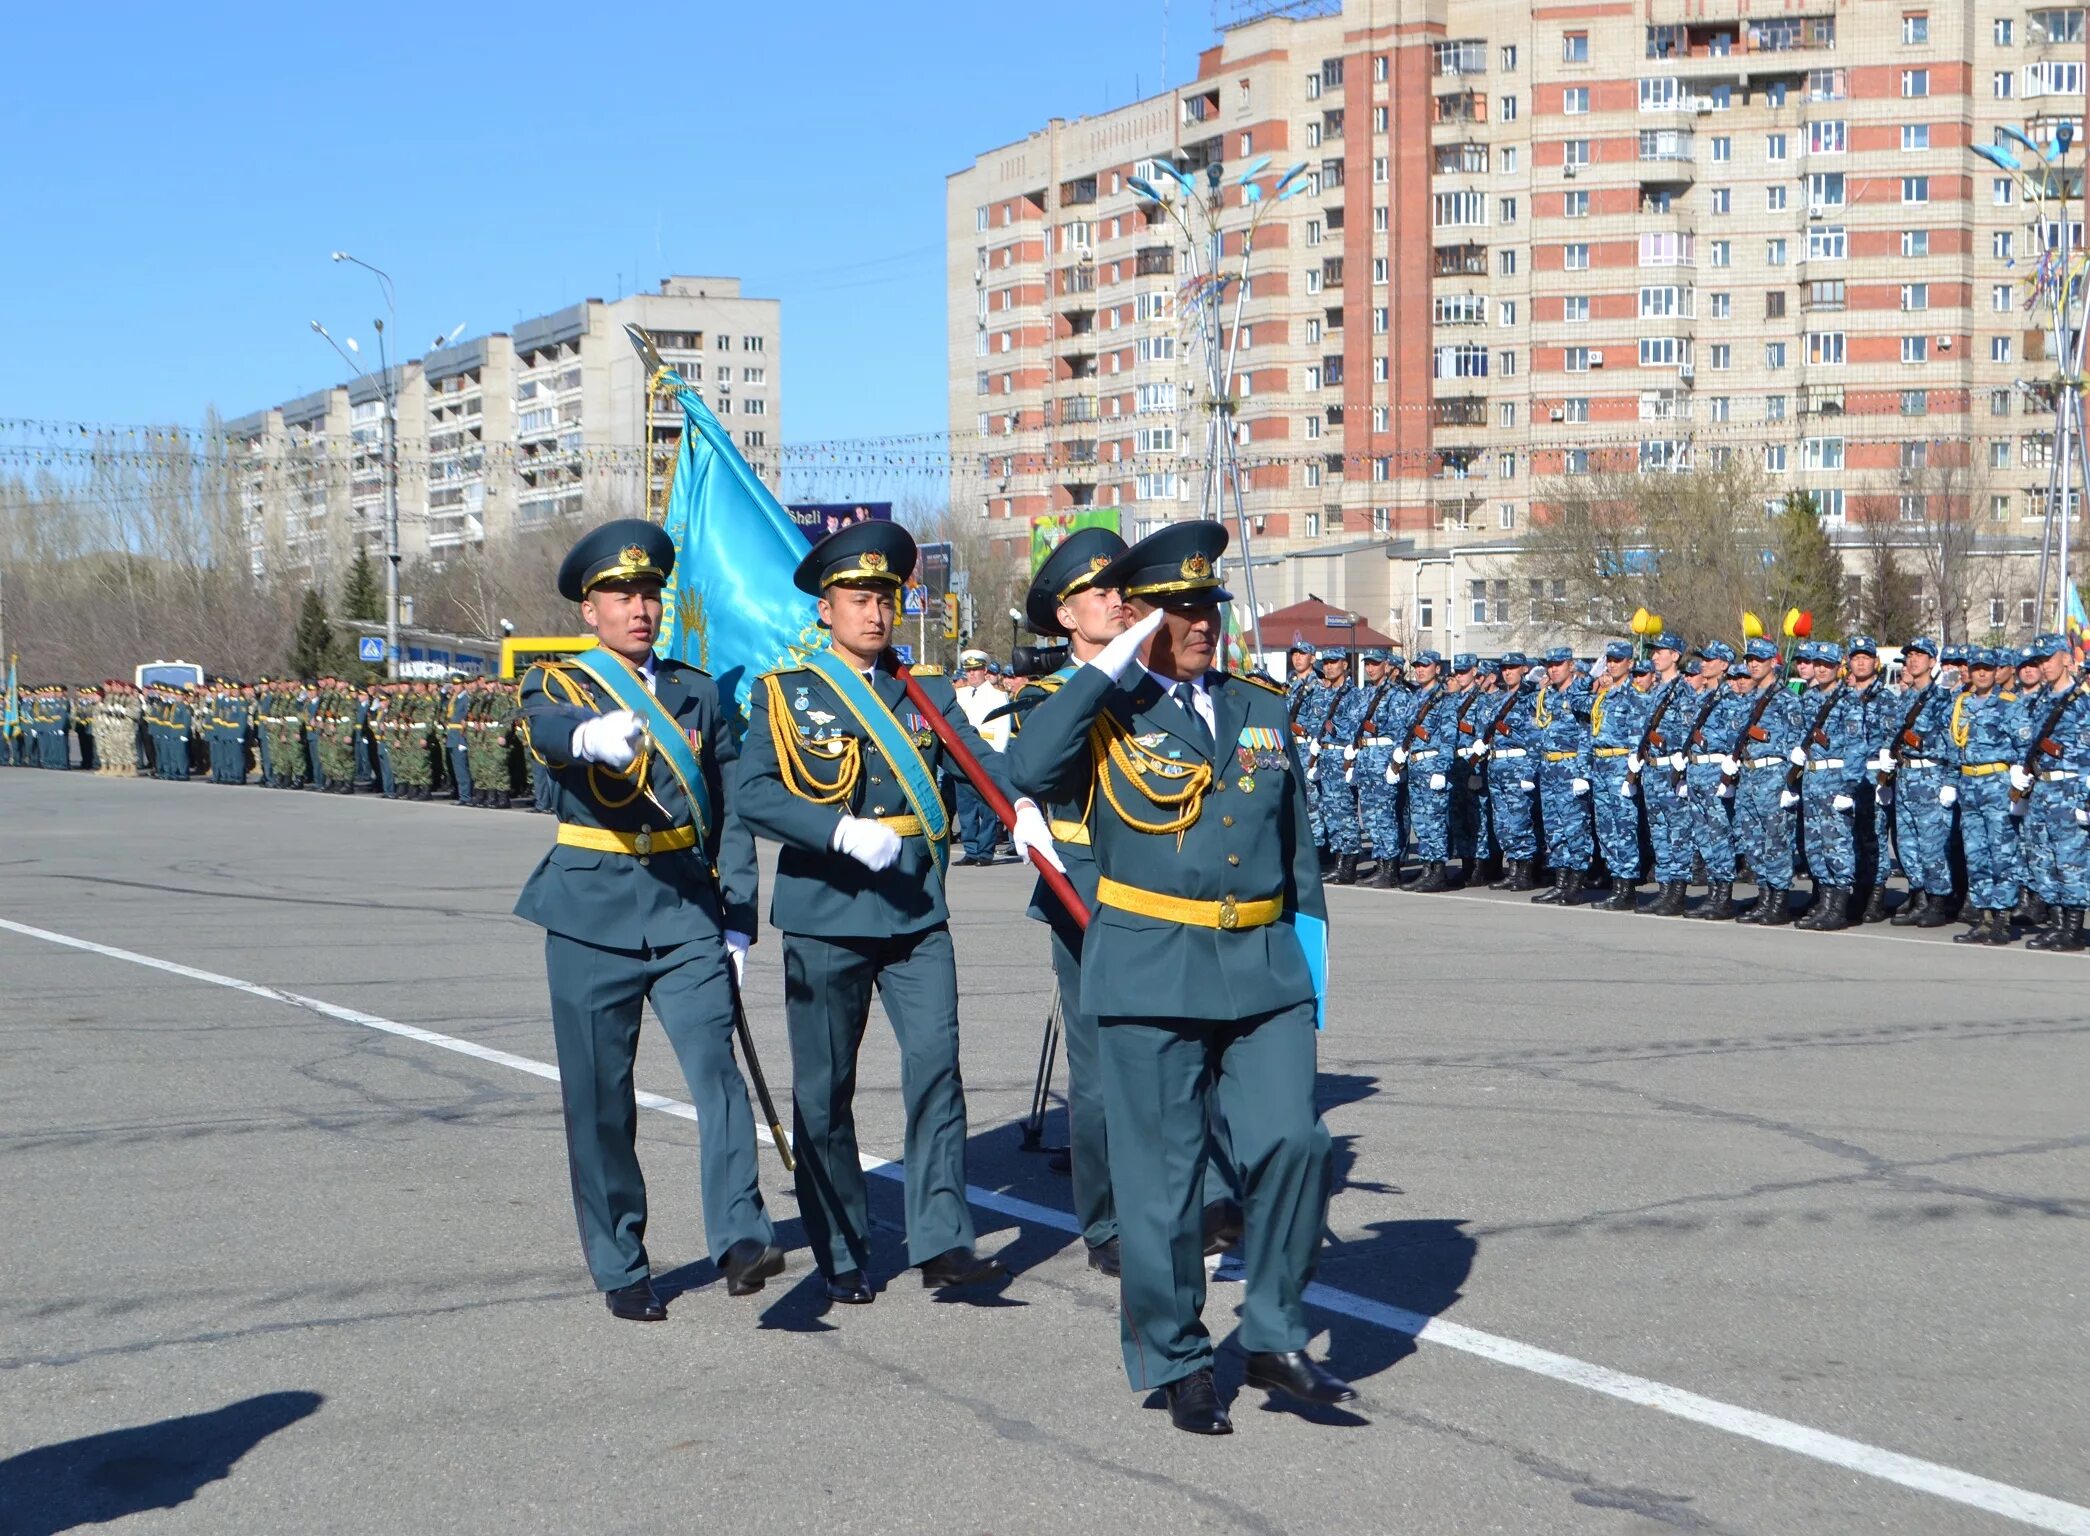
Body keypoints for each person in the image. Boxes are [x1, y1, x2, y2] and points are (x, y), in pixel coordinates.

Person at [1006, 519, 1347, 1436]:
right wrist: (1104, 668)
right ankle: (1178, 1357)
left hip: (1264, 967)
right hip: (1153, 966)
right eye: (1180, 609)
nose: (1203, 623)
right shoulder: (1103, 709)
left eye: (1210, 605)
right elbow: (1024, 772)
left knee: (1293, 1146)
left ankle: (1273, 1331)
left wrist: (1310, 968)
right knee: (1160, 1185)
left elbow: (1298, 852)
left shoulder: (1259, 706)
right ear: (1141, 620)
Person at [734, 520, 1045, 1304]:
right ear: (825, 608)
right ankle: (840, 1245)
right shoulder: (787, 694)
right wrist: (834, 828)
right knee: (825, 1092)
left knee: (937, 1071)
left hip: (914, 913)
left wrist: (1026, 812)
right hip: (828, 912)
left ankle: (941, 1240)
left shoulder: (927, 694)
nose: (875, 613)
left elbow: (982, 768)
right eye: (859, 598)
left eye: (886, 598)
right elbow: (752, 793)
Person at [514, 517, 785, 1322]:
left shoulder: (696, 691)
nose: (638, 608)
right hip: (590, 911)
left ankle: (741, 1235)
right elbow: (540, 729)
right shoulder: (559, 686)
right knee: (601, 1099)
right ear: (588, 610)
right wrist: (588, 736)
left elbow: (731, 812)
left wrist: (738, 918)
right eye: (619, 595)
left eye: (648, 594)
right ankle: (619, 1259)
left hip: (684, 910)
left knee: (718, 1074)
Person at [1950, 648, 2030, 945]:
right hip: (1969, 784)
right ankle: (1983, 916)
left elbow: (2024, 746)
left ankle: (2003, 918)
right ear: (1969, 672)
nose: (1981, 674)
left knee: (2002, 853)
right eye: (1976, 668)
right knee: (1976, 853)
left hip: (1996, 783)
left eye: (1987, 668)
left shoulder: (2009, 704)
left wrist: (2021, 787)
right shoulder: (1962, 704)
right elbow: (1953, 748)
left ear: (1997, 671)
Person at [2017, 633, 2090, 951]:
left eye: (2048, 659)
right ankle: (2057, 923)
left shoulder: (2082, 702)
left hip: (2070, 787)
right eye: (2038, 661)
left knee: (2070, 860)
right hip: (2042, 787)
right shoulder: (2038, 702)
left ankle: (2073, 928)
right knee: (2041, 857)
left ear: (2065, 658)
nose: (2043, 666)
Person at [1880, 638, 1957, 927]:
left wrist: (1950, 781)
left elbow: (1952, 745)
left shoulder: (1941, 699)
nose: (1913, 660)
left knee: (1933, 843)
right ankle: (1919, 895)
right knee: (1907, 842)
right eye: (1909, 655)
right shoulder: (1906, 698)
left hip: (1931, 776)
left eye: (1919, 655)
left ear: (1932, 662)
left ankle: (1938, 901)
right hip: (1906, 775)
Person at [1729, 638, 1803, 925]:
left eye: (1759, 659)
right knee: (1752, 838)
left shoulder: (1785, 698)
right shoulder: (1748, 699)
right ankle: (1764, 896)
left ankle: (1779, 899)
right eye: (1750, 659)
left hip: (1773, 774)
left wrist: (1790, 783)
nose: (1753, 664)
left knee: (1776, 839)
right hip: (1749, 773)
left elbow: (1797, 742)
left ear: (1774, 661)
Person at [1528, 646, 1595, 904]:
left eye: (1558, 664)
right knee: (1554, 829)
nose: (1553, 669)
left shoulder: (1579, 695)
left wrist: (1582, 772)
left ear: (1570, 665)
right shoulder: (1549, 696)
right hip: (1549, 769)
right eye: (1550, 665)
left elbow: (1587, 735)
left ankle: (1577, 884)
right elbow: (1540, 734)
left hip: (1570, 769)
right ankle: (1561, 881)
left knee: (1575, 828)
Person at [1478, 652, 1542, 892]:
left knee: (1520, 820)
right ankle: (1513, 867)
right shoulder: (1497, 700)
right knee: (1502, 822)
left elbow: (1535, 738)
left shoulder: (1530, 699)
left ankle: (1525, 870)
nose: (1507, 672)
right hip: (1496, 765)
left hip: (1518, 765)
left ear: (1524, 669)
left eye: (1513, 667)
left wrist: (1529, 771)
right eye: (1504, 668)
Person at [951, 649, 1009, 865]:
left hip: (986, 756)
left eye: (976, 669)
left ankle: (985, 851)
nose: (972, 674)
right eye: (968, 670)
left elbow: (1002, 728)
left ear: (985, 670)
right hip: (963, 757)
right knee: (966, 807)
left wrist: (996, 759)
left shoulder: (997, 695)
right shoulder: (959, 695)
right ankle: (971, 850)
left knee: (986, 807)